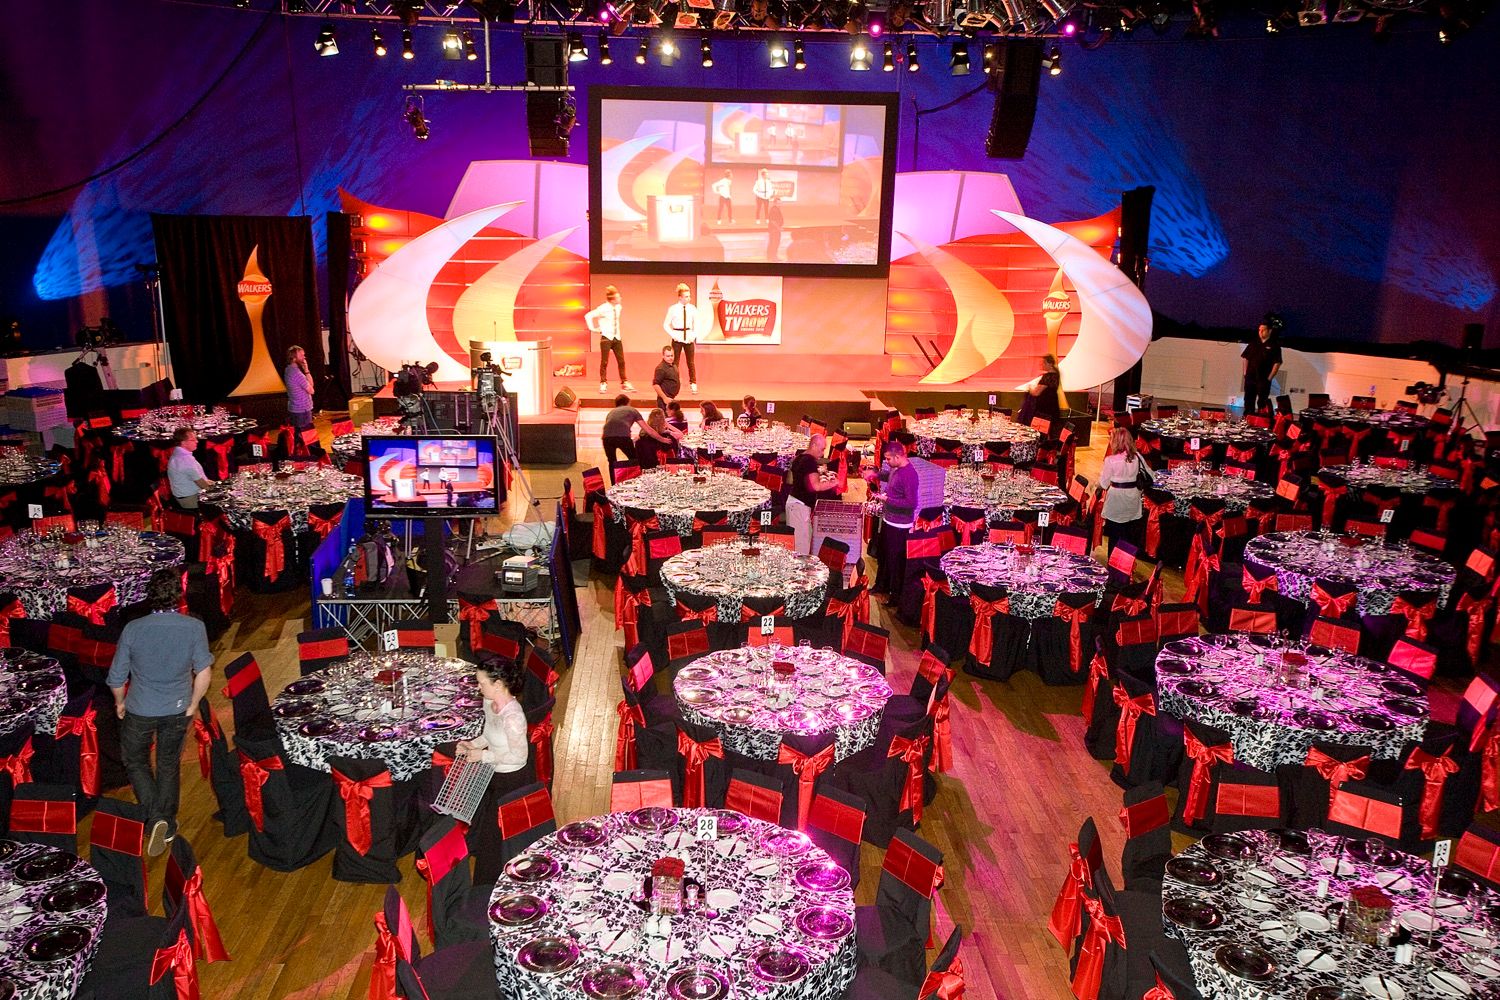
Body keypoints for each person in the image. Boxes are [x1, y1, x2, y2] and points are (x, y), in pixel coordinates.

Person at [107, 568, 214, 857]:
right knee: (168, 764)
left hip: (140, 708)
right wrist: (193, 703)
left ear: (148, 596)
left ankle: (157, 819)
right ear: (178, 596)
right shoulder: (194, 627)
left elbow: (117, 677)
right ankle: (164, 822)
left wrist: (120, 702)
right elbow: (203, 672)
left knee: (135, 760)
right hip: (178, 708)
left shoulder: (133, 629)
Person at [459, 657, 533, 884]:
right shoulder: (489, 703)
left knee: (500, 835)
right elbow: (489, 736)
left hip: (513, 780)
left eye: (482, 683)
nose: (478, 687)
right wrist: (474, 744)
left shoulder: (513, 717)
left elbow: (520, 756)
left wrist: (484, 755)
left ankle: (495, 883)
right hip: (495, 773)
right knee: (491, 835)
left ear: (499, 685)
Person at [873, 441, 919, 600]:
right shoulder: (897, 468)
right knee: (885, 557)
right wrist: (876, 475)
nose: (886, 462)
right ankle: (883, 588)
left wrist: (888, 499)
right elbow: (890, 477)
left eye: (888, 459)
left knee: (895, 562)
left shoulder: (910, 474)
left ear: (898, 456)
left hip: (900, 525)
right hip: (889, 520)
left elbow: (912, 503)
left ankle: (894, 595)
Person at [786, 433, 839, 553]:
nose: (823, 453)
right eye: (822, 449)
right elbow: (815, 486)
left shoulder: (800, 457)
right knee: (801, 550)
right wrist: (834, 483)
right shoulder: (809, 461)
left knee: (800, 545)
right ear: (814, 445)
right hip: (799, 507)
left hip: (794, 504)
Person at [1099, 425, 1145, 555]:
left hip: (1116, 500)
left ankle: (1114, 567)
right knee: (1128, 535)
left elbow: (1103, 483)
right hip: (1133, 498)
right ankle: (1126, 564)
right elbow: (1150, 475)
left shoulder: (1111, 460)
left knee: (1115, 536)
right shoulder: (1138, 457)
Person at [586, 285, 632, 394]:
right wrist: (593, 329)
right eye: (618, 297)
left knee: (621, 361)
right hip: (607, 337)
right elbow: (588, 316)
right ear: (613, 299)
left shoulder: (618, 307)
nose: (620, 298)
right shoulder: (603, 308)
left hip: (617, 337)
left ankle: (624, 382)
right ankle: (603, 383)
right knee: (604, 361)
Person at [1242, 314, 1284, 415]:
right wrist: (1245, 373)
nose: (1260, 332)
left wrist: (1269, 378)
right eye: (1259, 330)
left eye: (1263, 330)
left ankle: (1261, 420)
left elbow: (1277, 363)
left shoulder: (1275, 346)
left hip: (1263, 378)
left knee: (1262, 401)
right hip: (1250, 377)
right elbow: (1245, 358)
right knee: (1248, 399)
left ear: (1269, 331)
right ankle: (1248, 417)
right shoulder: (1253, 343)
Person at [662, 283, 699, 394]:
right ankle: (675, 382)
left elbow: (697, 324)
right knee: (675, 362)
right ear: (680, 297)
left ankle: (693, 383)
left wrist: (693, 335)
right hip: (677, 337)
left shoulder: (692, 309)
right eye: (686, 296)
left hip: (688, 337)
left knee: (690, 362)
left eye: (689, 296)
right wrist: (673, 335)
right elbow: (665, 324)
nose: (689, 298)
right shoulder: (673, 309)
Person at [167, 427, 213, 509]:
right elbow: (202, 484)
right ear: (183, 443)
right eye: (193, 440)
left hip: (186, 495)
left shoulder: (179, 454)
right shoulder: (185, 460)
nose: (197, 441)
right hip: (190, 500)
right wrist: (218, 490)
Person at [601, 393, 644, 472]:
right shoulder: (632, 410)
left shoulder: (611, 412)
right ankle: (636, 479)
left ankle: (613, 483)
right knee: (634, 459)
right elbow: (645, 427)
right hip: (623, 437)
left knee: (612, 462)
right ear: (627, 403)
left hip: (606, 438)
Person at [1020, 353, 1063, 431]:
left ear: (1049, 364)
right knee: (1050, 429)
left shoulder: (1047, 377)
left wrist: (1030, 388)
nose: (1041, 365)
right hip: (1053, 406)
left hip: (1044, 407)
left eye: (1043, 363)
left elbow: (1036, 393)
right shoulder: (1056, 375)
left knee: (1041, 429)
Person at [285, 345, 315, 431]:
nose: (304, 358)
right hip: (302, 410)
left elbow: (310, 386)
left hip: (296, 409)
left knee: (298, 436)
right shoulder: (296, 374)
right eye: (301, 356)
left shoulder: (288, 369)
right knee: (305, 437)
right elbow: (312, 390)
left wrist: (306, 370)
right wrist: (306, 371)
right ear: (294, 358)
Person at [766, 196, 784, 262]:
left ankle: (770, 256)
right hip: (774, 230)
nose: (780, 204)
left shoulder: (776, 209)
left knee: (772, 243)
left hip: (774, 230)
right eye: (778, 203)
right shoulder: (774, 210)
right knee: (774, 243)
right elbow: (773, 221)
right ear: (774, 203)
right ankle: (773, 257)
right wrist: (779, 228)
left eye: (780, 203)